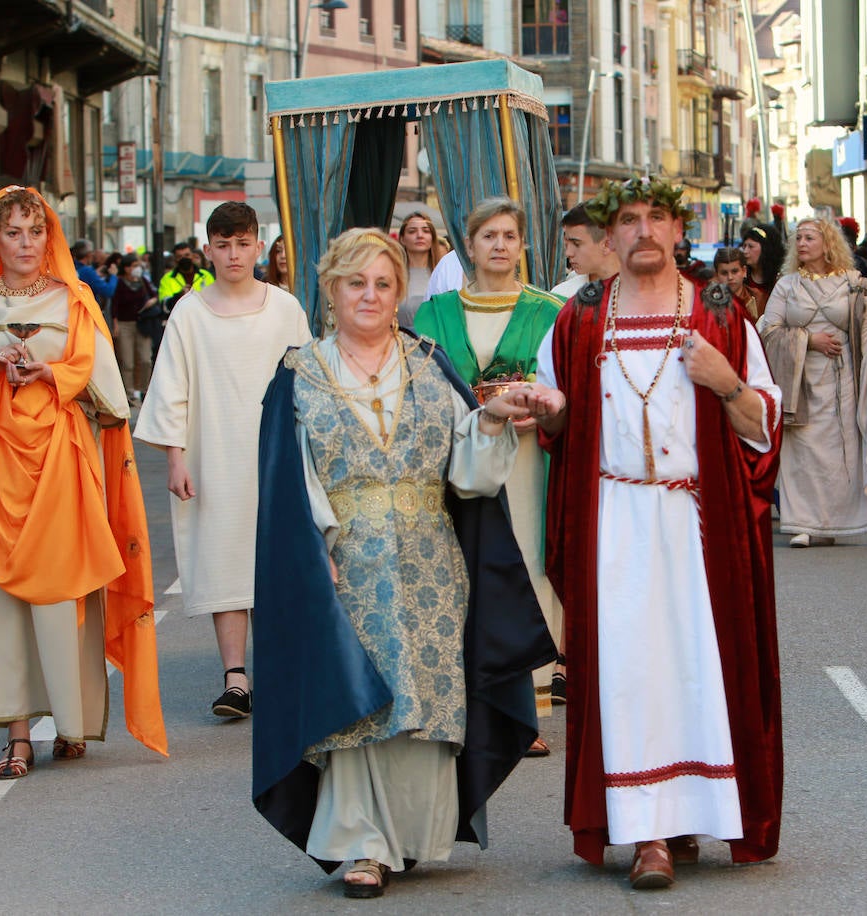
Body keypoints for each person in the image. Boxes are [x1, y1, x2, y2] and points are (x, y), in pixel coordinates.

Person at [250, 226, 554, 899]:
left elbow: (467, 471)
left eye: (383, 284)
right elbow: (288, 480)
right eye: (356, 282)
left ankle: (413, 837)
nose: (370, 294)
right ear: (332, 289)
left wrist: (495, 416)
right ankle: (360, 845)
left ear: (398, 295)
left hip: (430, 556)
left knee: (425, 697)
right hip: (346, 559)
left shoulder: (427, 362)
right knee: (357, 702)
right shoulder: (301, 373)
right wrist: (313, 554)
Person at [523, 176, 784, 889]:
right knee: (631, 673)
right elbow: (559, 423)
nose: (643, 231)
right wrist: (546, 410)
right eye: (629, 220)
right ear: (610, 238)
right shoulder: (578, 320)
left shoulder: (721, 315)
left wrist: (727, 382)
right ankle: (647, 835)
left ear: (678, 231)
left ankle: (694, 812)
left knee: (698, 668)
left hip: (698, 518)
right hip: (615, 518)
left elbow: (764, 430)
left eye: (657, 219)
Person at [0, 185, 166, 778]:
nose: (26, 243)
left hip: (60, 467)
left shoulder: (75, 303)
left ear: (47, 236)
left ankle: (70, 721)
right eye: (13, 233)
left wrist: (52, 372)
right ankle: (18, 734)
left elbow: (109, 389)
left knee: (62, 596)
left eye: (35, 231)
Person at [135, 201, 310, 718]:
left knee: (276, 560)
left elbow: (307, 382)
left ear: (259, 245)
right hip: (212, 452)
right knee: (224, 560)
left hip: (276, 452)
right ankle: (236, 677)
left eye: (243, 243)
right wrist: (175, 457)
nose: (234, 254)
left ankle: (278, 669)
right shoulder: (189, 311)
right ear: (208, 250)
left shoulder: (285, 308)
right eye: (223, 244)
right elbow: (172, 388)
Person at [413, 198, 565, 754]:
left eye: (509, 236)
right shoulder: (434, 313)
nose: (499, 245)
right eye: (488, 236)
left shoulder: (549, 311)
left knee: (524, 571)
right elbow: (423, 388)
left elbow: (564, 386)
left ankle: (523, 712)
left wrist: (541, 407)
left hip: (527, 464)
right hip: (457, 462)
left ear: (522, 246)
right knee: (462, 574)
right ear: (468, 246)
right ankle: (465, 706)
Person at [759, 217, 867, 546]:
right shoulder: (787, 285)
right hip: (799, 378)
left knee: (839, 450)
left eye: (809, 237)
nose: (802, 243)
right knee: (802, 448)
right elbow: (768, 330)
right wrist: (807, 340)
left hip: (844, 379)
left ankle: (836, 522)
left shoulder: (852, 282)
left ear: (827, 243)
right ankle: (803, 522)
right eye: (798, 238)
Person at [110, 253, 157, 405]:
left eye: (138, 265)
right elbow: (114, 306)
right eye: (134, 265)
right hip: (125, 325)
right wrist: (115, 325)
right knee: (127, 362)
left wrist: (151, 302)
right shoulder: (119, 283)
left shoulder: (143, 281)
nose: (137, 269)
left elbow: (155, 294)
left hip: (142, 323)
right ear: (127, 268)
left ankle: (145, 389)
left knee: (145, 359)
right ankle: (129, 394)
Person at [552, 203, 619, 301]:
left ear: (607, 244)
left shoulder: (642, 292)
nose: (568, 253)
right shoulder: (562, 295)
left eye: (576, 244)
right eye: (566, 245)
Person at [397, 212, 440, 329]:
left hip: (438, 344)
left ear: (432, 237)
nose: (420, 235)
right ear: (402, 239)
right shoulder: (393, 275)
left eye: (426, 231)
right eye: (412, 231)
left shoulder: (442, 274)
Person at [740, 223, 785, 305]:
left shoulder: (781, 278)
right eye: (744, 246)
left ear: (766, 249)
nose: (745, 251)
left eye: (751, 246)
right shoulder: (741, 276)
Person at [712, 246, 762, 320]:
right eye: (724, 273)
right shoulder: (708, 302)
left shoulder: (759, 298)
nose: (730, 277)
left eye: (734, 271)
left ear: (744, 271)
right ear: (716, 275)